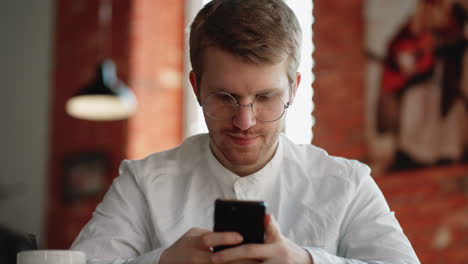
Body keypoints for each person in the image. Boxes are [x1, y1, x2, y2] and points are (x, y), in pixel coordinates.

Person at [71, 0, 421, 263]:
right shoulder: (143, 182)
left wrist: (307, 261)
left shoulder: (348, 185)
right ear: (196, 86)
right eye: (225, 98)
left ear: (294, 89)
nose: (245, 122)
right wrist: (161, 262)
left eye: (266, 98)